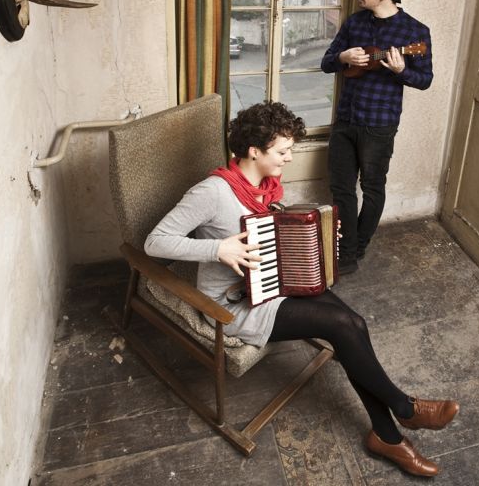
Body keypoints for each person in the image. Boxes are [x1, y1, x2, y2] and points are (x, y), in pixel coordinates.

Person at [145, 101, 458, 477]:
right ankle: (404, 410)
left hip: (274, 281)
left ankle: (387, 435)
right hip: (236, 304)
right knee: (341, 327)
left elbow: (277, 234)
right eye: (282, 151)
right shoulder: (211, 193)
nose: (289, 158)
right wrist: (218, 248)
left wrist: (321, 237)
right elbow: (155, 242)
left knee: (354, 325)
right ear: (254, 151)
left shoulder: (265, 186)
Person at [321, 0, 434, 275]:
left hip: (379, 124)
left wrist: (402, 70)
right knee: (341, 188)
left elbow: (425, 80)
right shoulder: (354, 23)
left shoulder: (415, 32)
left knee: (372, 188)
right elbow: (327, 62)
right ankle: (345, 254)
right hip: (346, 119)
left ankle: (356, 248)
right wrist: (342, 57)